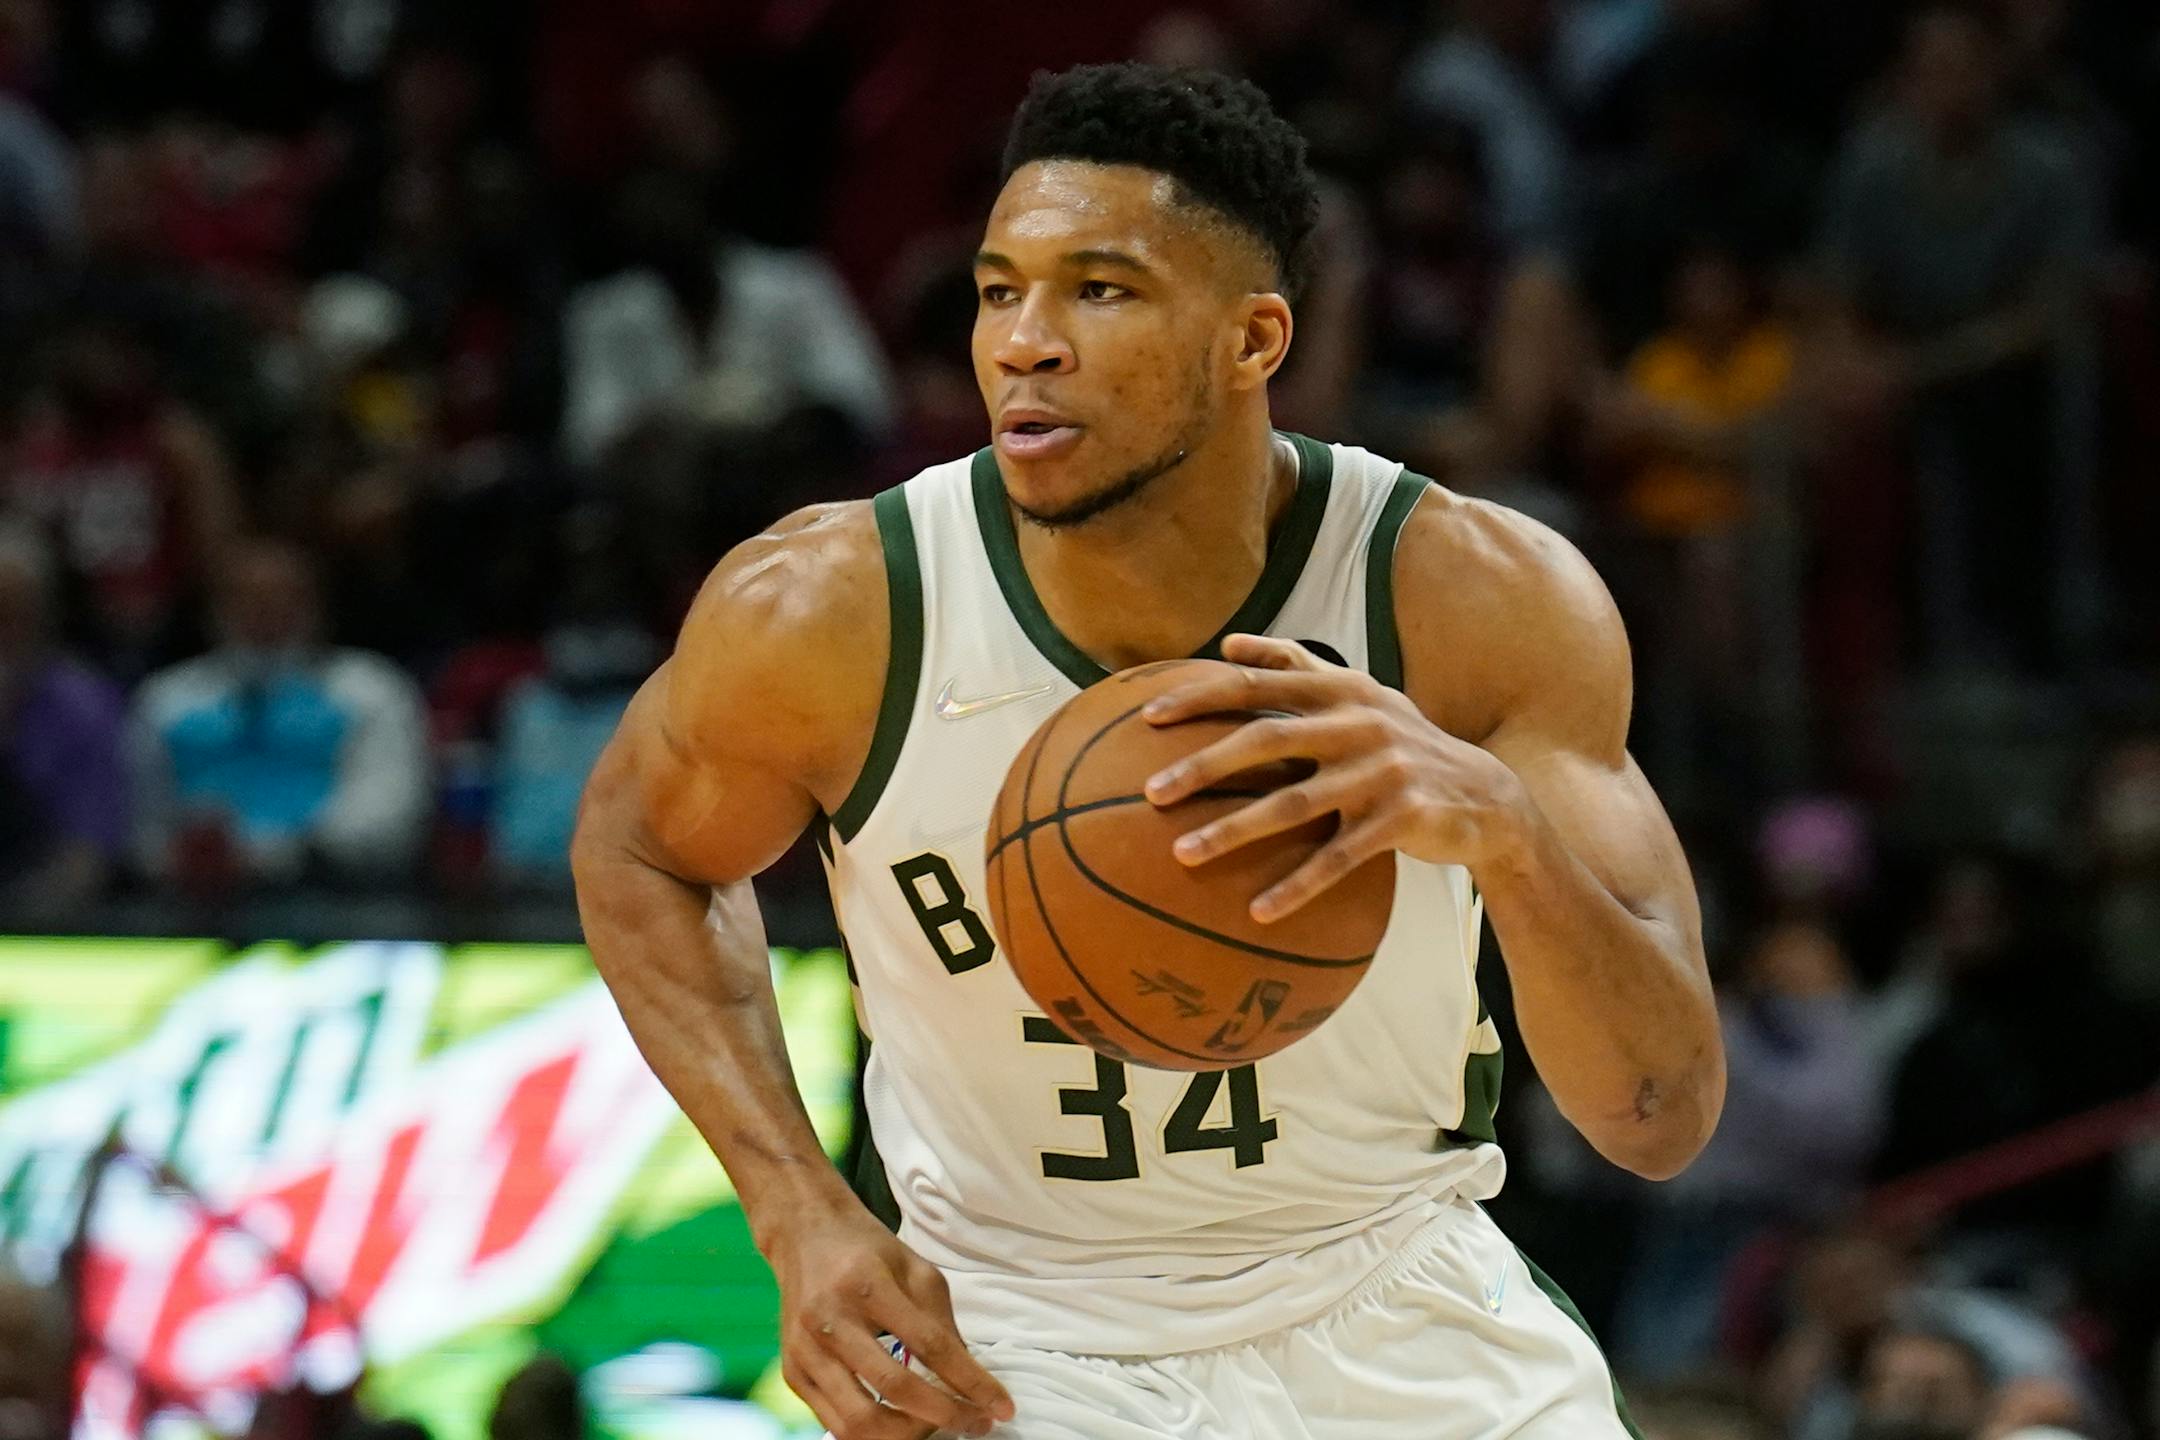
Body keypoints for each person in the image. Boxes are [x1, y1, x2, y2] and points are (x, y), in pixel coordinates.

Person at [573, 63, 1723, 1440]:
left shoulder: (1469, 600)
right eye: (1002, 290)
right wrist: (798, 1215)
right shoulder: (836, 613)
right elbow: (638, 846)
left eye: (1099, 291)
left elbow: (1657, 1114)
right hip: (1017, 1332)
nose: (1024, 343)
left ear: (1254, 340)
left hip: (1401, 1303)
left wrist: (1505, 836)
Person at [128, 538, 429, 890]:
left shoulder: (369, 689)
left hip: (337, 894)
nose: (265, 613)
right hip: (186, 897)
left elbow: (389, 810)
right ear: (215, 608)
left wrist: (272, 855)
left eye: (283, 597)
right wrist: (170, 856)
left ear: (316, 606)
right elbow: (139, 814)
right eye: (247, 598)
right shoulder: (167, 699)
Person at [0, 521, 127, 925]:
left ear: (44, 617)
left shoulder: (84, 706)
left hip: (43, 918)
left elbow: (88, 854)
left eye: (12, 615)